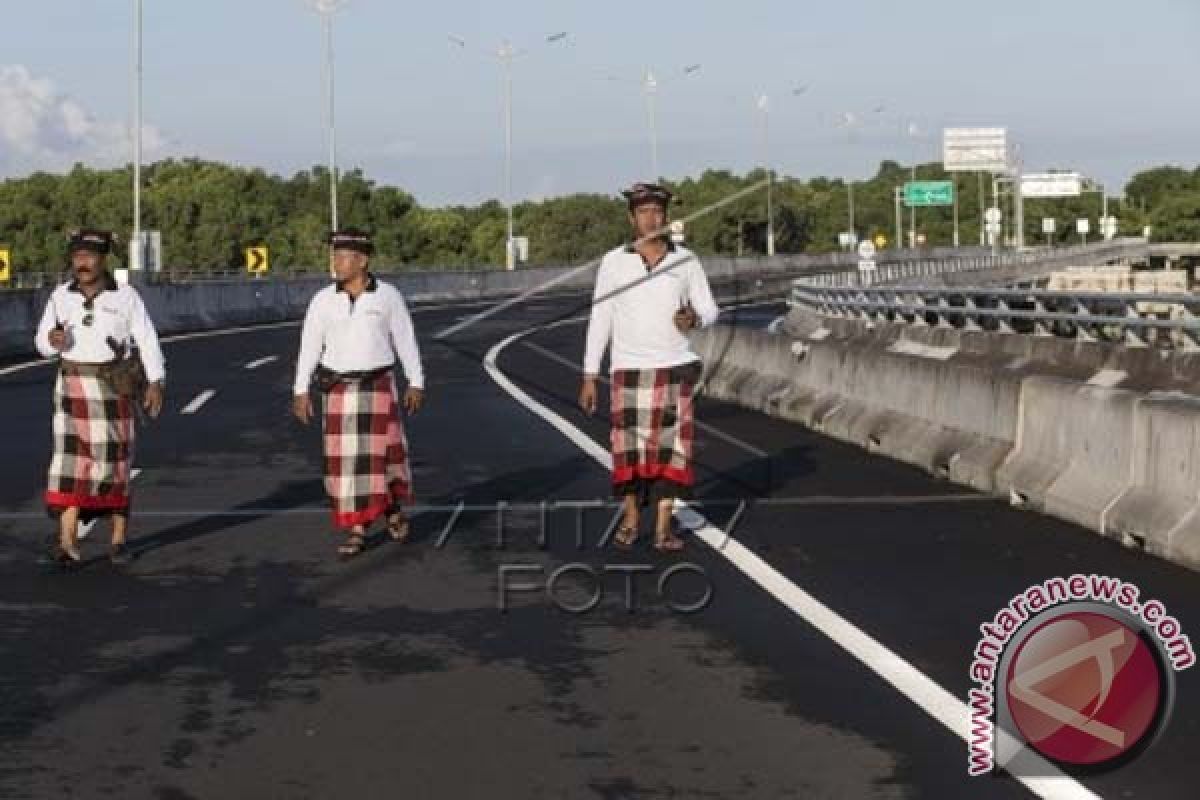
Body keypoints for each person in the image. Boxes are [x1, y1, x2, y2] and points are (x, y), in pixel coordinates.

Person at [579, 182, 718, 552]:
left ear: (666, 217)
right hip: (629, 370)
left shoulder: (685, 260)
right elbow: (600, 318)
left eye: (657, 211)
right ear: (632, 218)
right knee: (629, 453)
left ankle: (662, 528)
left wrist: (695, 318)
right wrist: (589, 375)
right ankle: (629, 518)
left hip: (676, 368)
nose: (651, 218)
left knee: (671, 453)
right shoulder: (614, 262)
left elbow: (709, 308)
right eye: (643, 212)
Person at [34, 229, 166, 567]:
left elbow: (147, 340)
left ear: (103, 259)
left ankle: (119, 541)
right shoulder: (59, 297)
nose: (83, 263)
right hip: (71, 386)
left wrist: (156, 382)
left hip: (111, 387)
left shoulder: (126, 297)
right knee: (68, 467)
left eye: (90, 257)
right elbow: (42, 345)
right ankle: (67, 544)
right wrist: (52, 339)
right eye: (77, 257)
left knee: (114, 466)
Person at [293, 229, 425, 559]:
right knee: (348, 466)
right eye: (334, 256)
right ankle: (357, 530)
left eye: (342, 257)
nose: (335, 263)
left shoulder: (388, 296)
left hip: (378, 387)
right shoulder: (322, 300)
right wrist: (300, 389)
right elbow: (309, 346)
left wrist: (416, 381)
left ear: (362, 260)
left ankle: (391, 509)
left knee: (382, 462)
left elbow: (406, 340)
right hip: (338, 389)